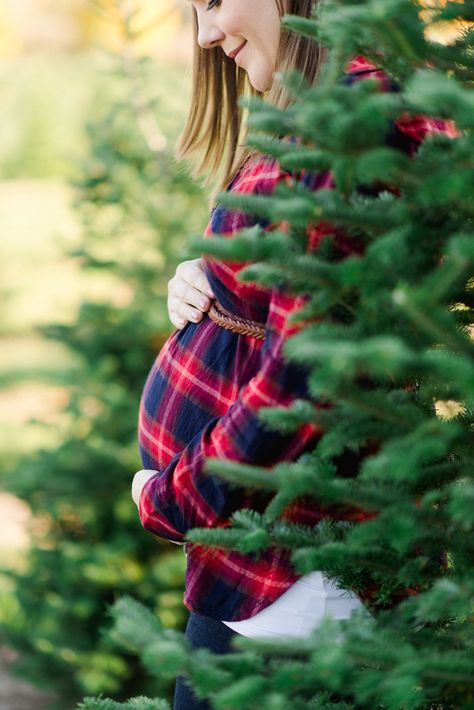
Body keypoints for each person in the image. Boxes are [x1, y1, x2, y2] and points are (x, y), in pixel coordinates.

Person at [131, 1, 456, 708]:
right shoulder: (325, 103)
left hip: (296, 574)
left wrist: (173, 498)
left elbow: (309, 376)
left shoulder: (359, 110)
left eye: (216, 1)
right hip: (264, 561)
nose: (206, 34)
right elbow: (307, 286)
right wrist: (210, 276)